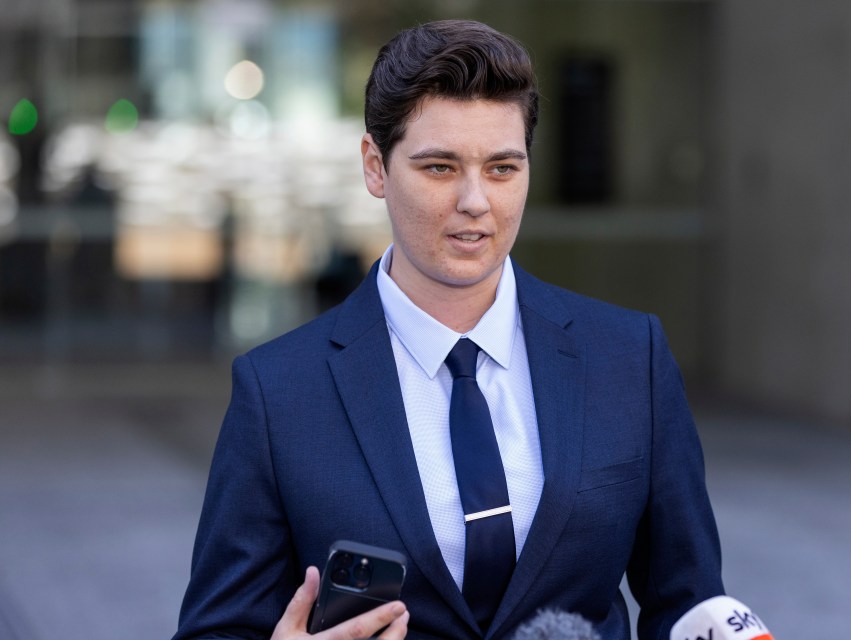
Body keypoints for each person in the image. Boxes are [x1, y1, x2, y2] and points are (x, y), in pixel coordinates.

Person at [174, 19, 723, 640]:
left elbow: (690, 606)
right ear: (375, 167)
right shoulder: (277, 393)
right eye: (439, 168)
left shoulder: (630, 357)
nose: (475, 201)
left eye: (502, 168)